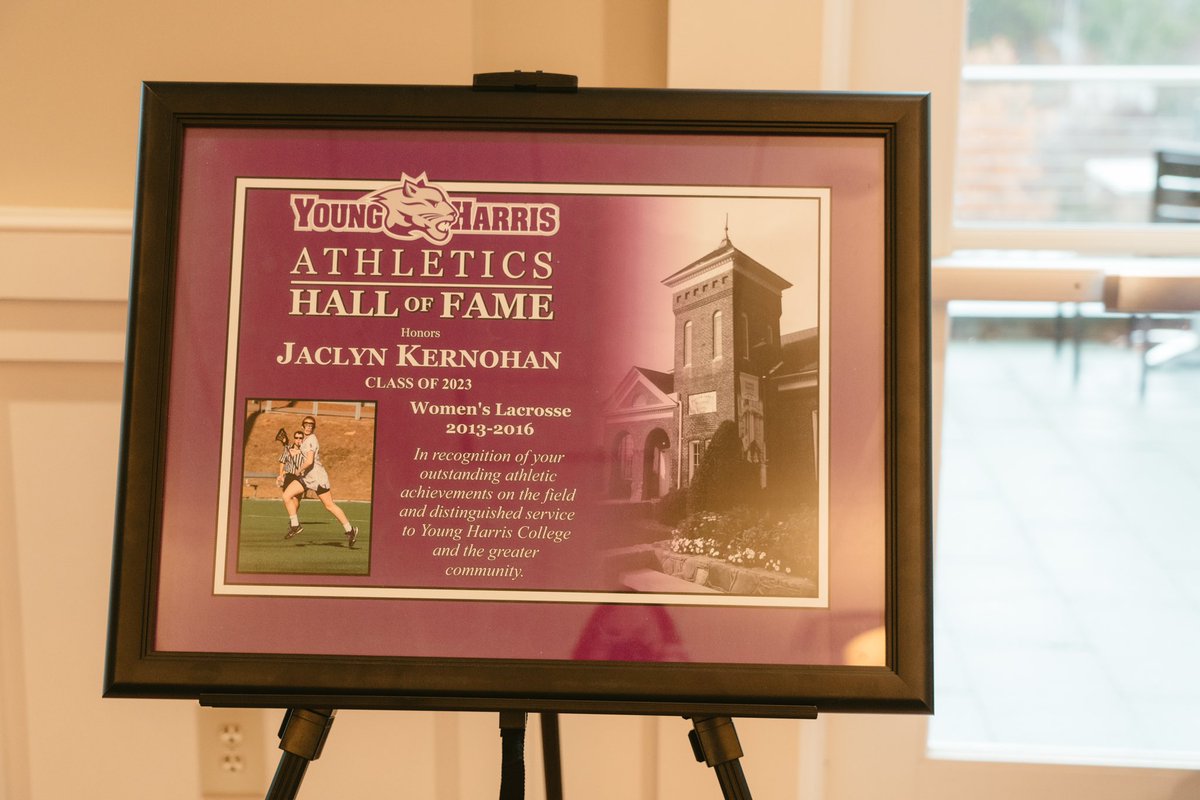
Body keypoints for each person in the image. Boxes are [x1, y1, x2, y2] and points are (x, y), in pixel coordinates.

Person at [280, 415, 359, 547]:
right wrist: (287, 445)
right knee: (286, 495)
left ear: (313, 428)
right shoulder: (305, 440)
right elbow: (299, 452)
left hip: (317, 477)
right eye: (306, 424)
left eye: (311, 425)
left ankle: (350, 530)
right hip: (307, 478)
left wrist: (298, 470)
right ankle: (295, 525)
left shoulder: (311, 440)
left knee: (329, 505)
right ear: (302, 426)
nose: (308, 426)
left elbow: (309, 461)